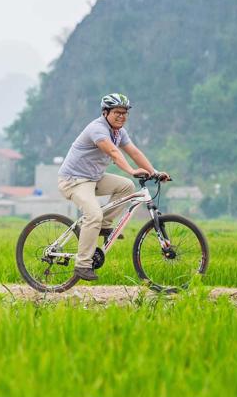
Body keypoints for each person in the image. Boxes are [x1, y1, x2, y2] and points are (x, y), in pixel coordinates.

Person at [57, 93, 169, 281]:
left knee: (126, 186)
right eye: (117, 112)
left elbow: (133, 151)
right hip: (73, 180)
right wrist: (132, 170)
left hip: (93, 178)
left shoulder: (119, 132)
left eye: (125, 113)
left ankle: (103, 226)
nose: (122, 116)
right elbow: (113, 152)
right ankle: (82, 264)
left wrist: (154, 171)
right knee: (93, 215)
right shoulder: (97, 129)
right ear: (105, 112)